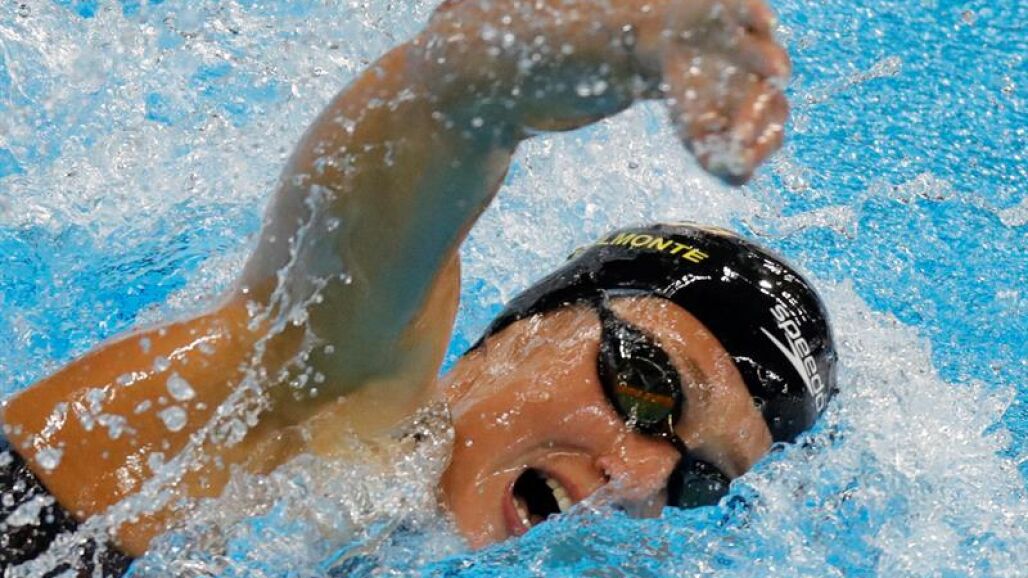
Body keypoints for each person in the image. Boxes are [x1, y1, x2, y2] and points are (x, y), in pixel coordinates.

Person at [0, 0, 834, 574]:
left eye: (697, 481)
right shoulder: (311, 395)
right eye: (646, 386)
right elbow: (435, 115)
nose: (640, 475)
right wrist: (584, 56)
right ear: (525, 327)